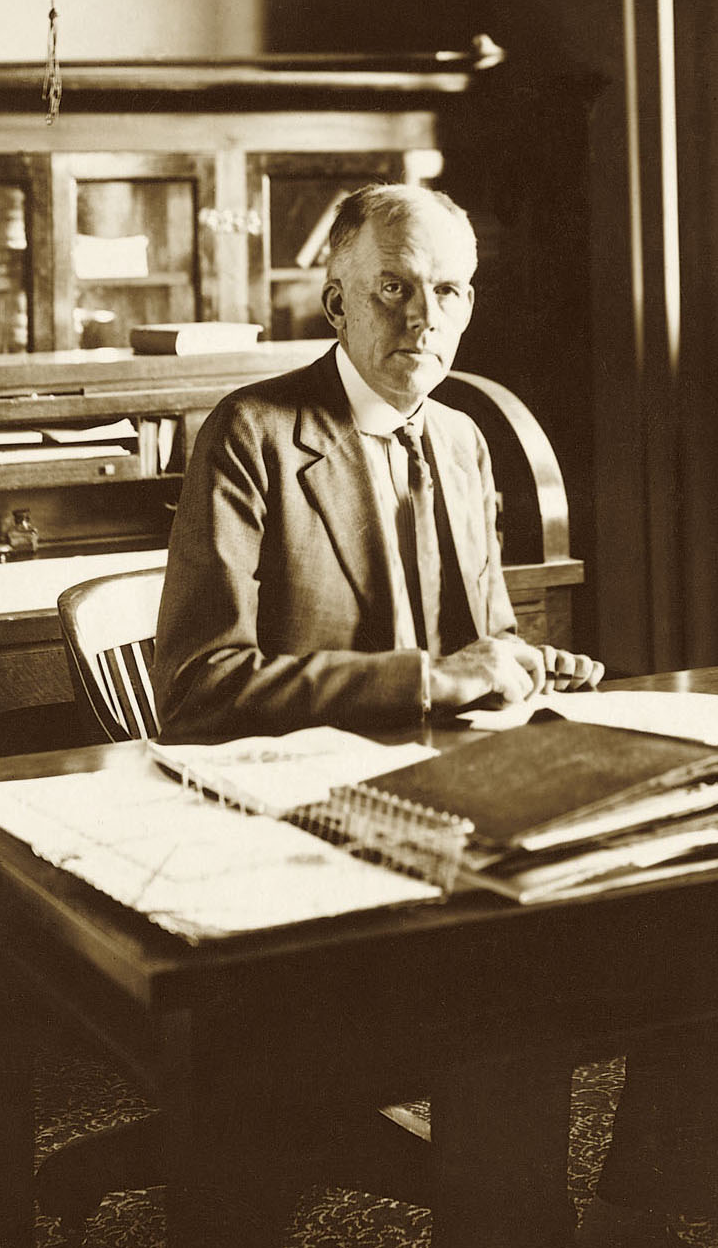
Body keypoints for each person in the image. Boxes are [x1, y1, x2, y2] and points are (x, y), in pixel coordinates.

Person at [152, 181, 609, 1247]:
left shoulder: (460, 438)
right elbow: (202, 689)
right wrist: (431, 680)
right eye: (394, 288)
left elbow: (478, 647)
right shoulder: (253, 432)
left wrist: (518, 668)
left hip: (448, 813)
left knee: (576, 946)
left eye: (448, 290)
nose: (424, 317)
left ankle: (513, 1215)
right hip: (289, 834)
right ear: (335, 302)